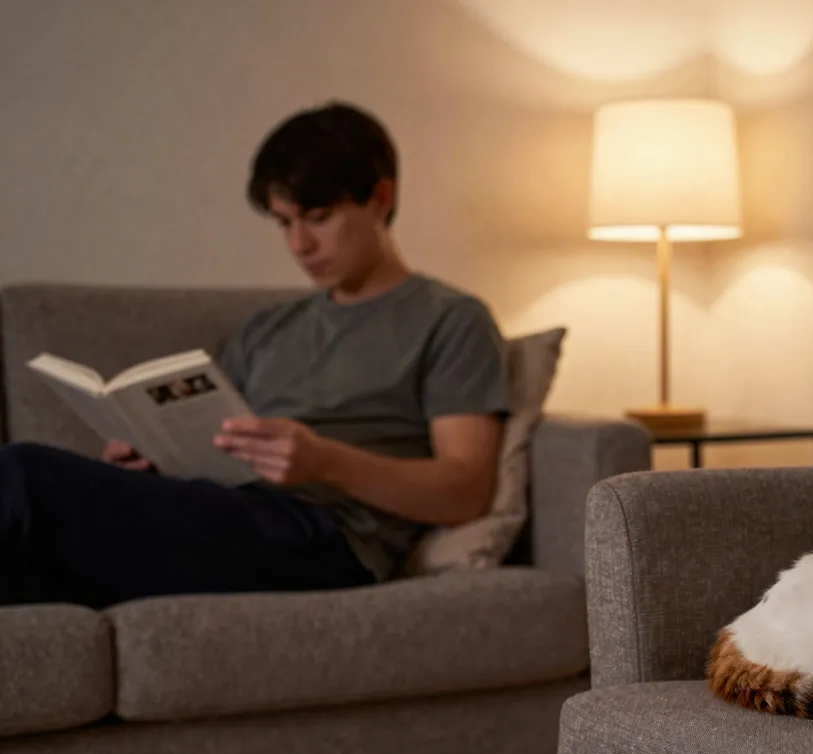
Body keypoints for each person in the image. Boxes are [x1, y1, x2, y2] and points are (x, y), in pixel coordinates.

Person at [0, 101, 508, 608]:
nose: (300, 244)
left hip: (329, 536)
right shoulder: (266, 329)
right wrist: (150, 460)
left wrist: (325, 461)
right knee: (27, 567)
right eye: (284, 223)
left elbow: (465, 491)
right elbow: (216, 451)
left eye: (319, 217)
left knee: (24, 475)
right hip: (233, 512)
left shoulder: (452, 319)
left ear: (380, 198)